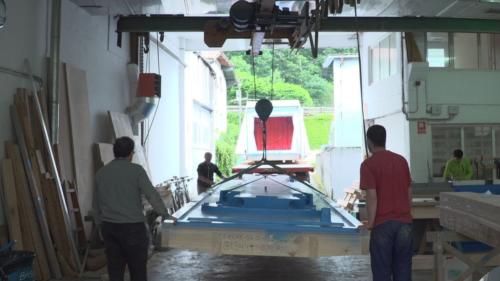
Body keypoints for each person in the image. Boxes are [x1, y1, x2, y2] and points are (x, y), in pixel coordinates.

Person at [93, 137, 175, 281]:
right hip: (133, 229)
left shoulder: (101, 173)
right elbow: (152, 194)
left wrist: (100, 224)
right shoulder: (136, 170)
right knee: (137, 272)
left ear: (115, 152)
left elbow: (96, 203)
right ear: (131, 153)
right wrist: (164, 213)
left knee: (115, 271)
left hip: (109, 228)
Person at [359, 125, 413, 281]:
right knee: (403, 270)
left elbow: (372, 196)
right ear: (384, 139)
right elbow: (409, 190)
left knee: (382, 272)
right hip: (404, 224)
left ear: (369, 141)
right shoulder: (401, 161)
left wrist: (370, 222)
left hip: (383, 225)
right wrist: (406, 213)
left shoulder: (368, 165)